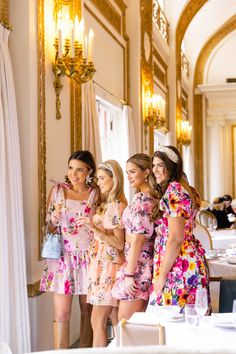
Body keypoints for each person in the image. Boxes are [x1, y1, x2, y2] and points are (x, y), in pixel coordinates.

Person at [39, 150, 99, 349]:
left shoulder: (96, 194)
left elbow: (102, 226)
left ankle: (85, 351)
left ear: (89, 172)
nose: (74, 174)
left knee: (87, 311)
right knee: (61, 314)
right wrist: (54, 220)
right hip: (63, 259)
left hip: (88, 258)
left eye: (80, 170)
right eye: (71, 168)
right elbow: (48, 229)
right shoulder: (57, 191)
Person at [149, 145, 210, 310]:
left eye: (160, 165)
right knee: (191, 320)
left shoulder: (174, 191)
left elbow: (176, 239)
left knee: (172, 322)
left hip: (178, 264)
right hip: (190, 258)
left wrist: (162, 276)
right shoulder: (188, 189)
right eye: (153, 165)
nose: (154, 170)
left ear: (171, 166)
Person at [79, 160, 127, 347]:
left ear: (114, 179)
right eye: (97, 178)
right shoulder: (110, 203)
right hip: (102, 265)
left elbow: (119, 243)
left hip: (109, 267)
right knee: (116, 319)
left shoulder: (115, 205)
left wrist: (94, 228)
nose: (98, 182)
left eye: (102, 178)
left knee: (97, 320)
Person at [112, 153, 157, 321]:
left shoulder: (142, 200)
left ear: (146, 173)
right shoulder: (152, 198)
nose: (128, 177)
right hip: (143, 262)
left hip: (138, 266)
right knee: (140, 323)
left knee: (126, 323)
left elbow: (138, 239)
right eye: (127, 172)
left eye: (132, 172)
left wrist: (129, 275)